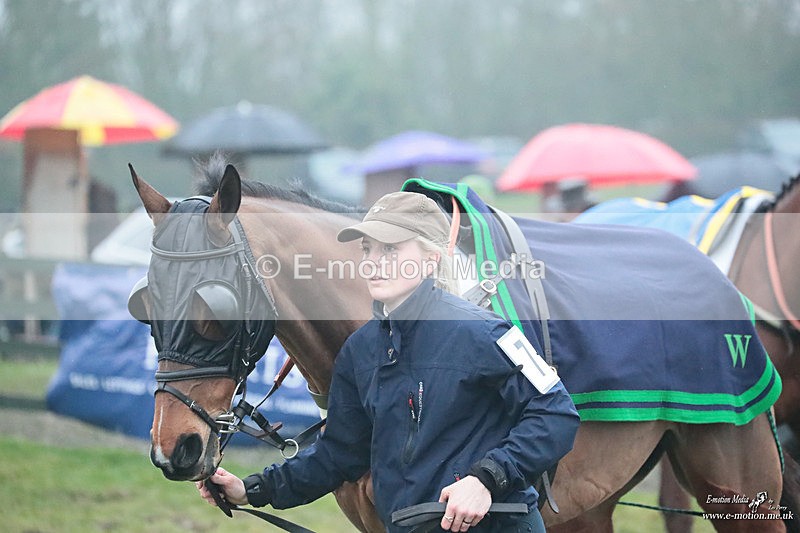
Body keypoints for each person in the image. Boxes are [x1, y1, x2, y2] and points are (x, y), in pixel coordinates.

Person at [197, 191, 580, 532]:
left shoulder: (484, 332)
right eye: (368, 249)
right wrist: (251, 489)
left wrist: (486, 480)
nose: (373, 262)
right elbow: (338, 455)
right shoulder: (360, 351)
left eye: (390, 249)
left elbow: (555, 413)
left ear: (430, 260)